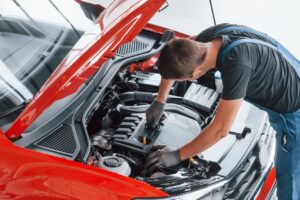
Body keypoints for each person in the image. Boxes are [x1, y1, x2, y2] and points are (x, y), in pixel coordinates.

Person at [144, 23, 300, 200]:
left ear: (195, 73)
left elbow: (221, 130)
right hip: (289, 72)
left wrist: (177, 155)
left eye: (180, 80)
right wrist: (160, 100)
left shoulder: (237, 65)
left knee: (291, 181)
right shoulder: (211, 37)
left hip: (295, 115)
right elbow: (173, 53)